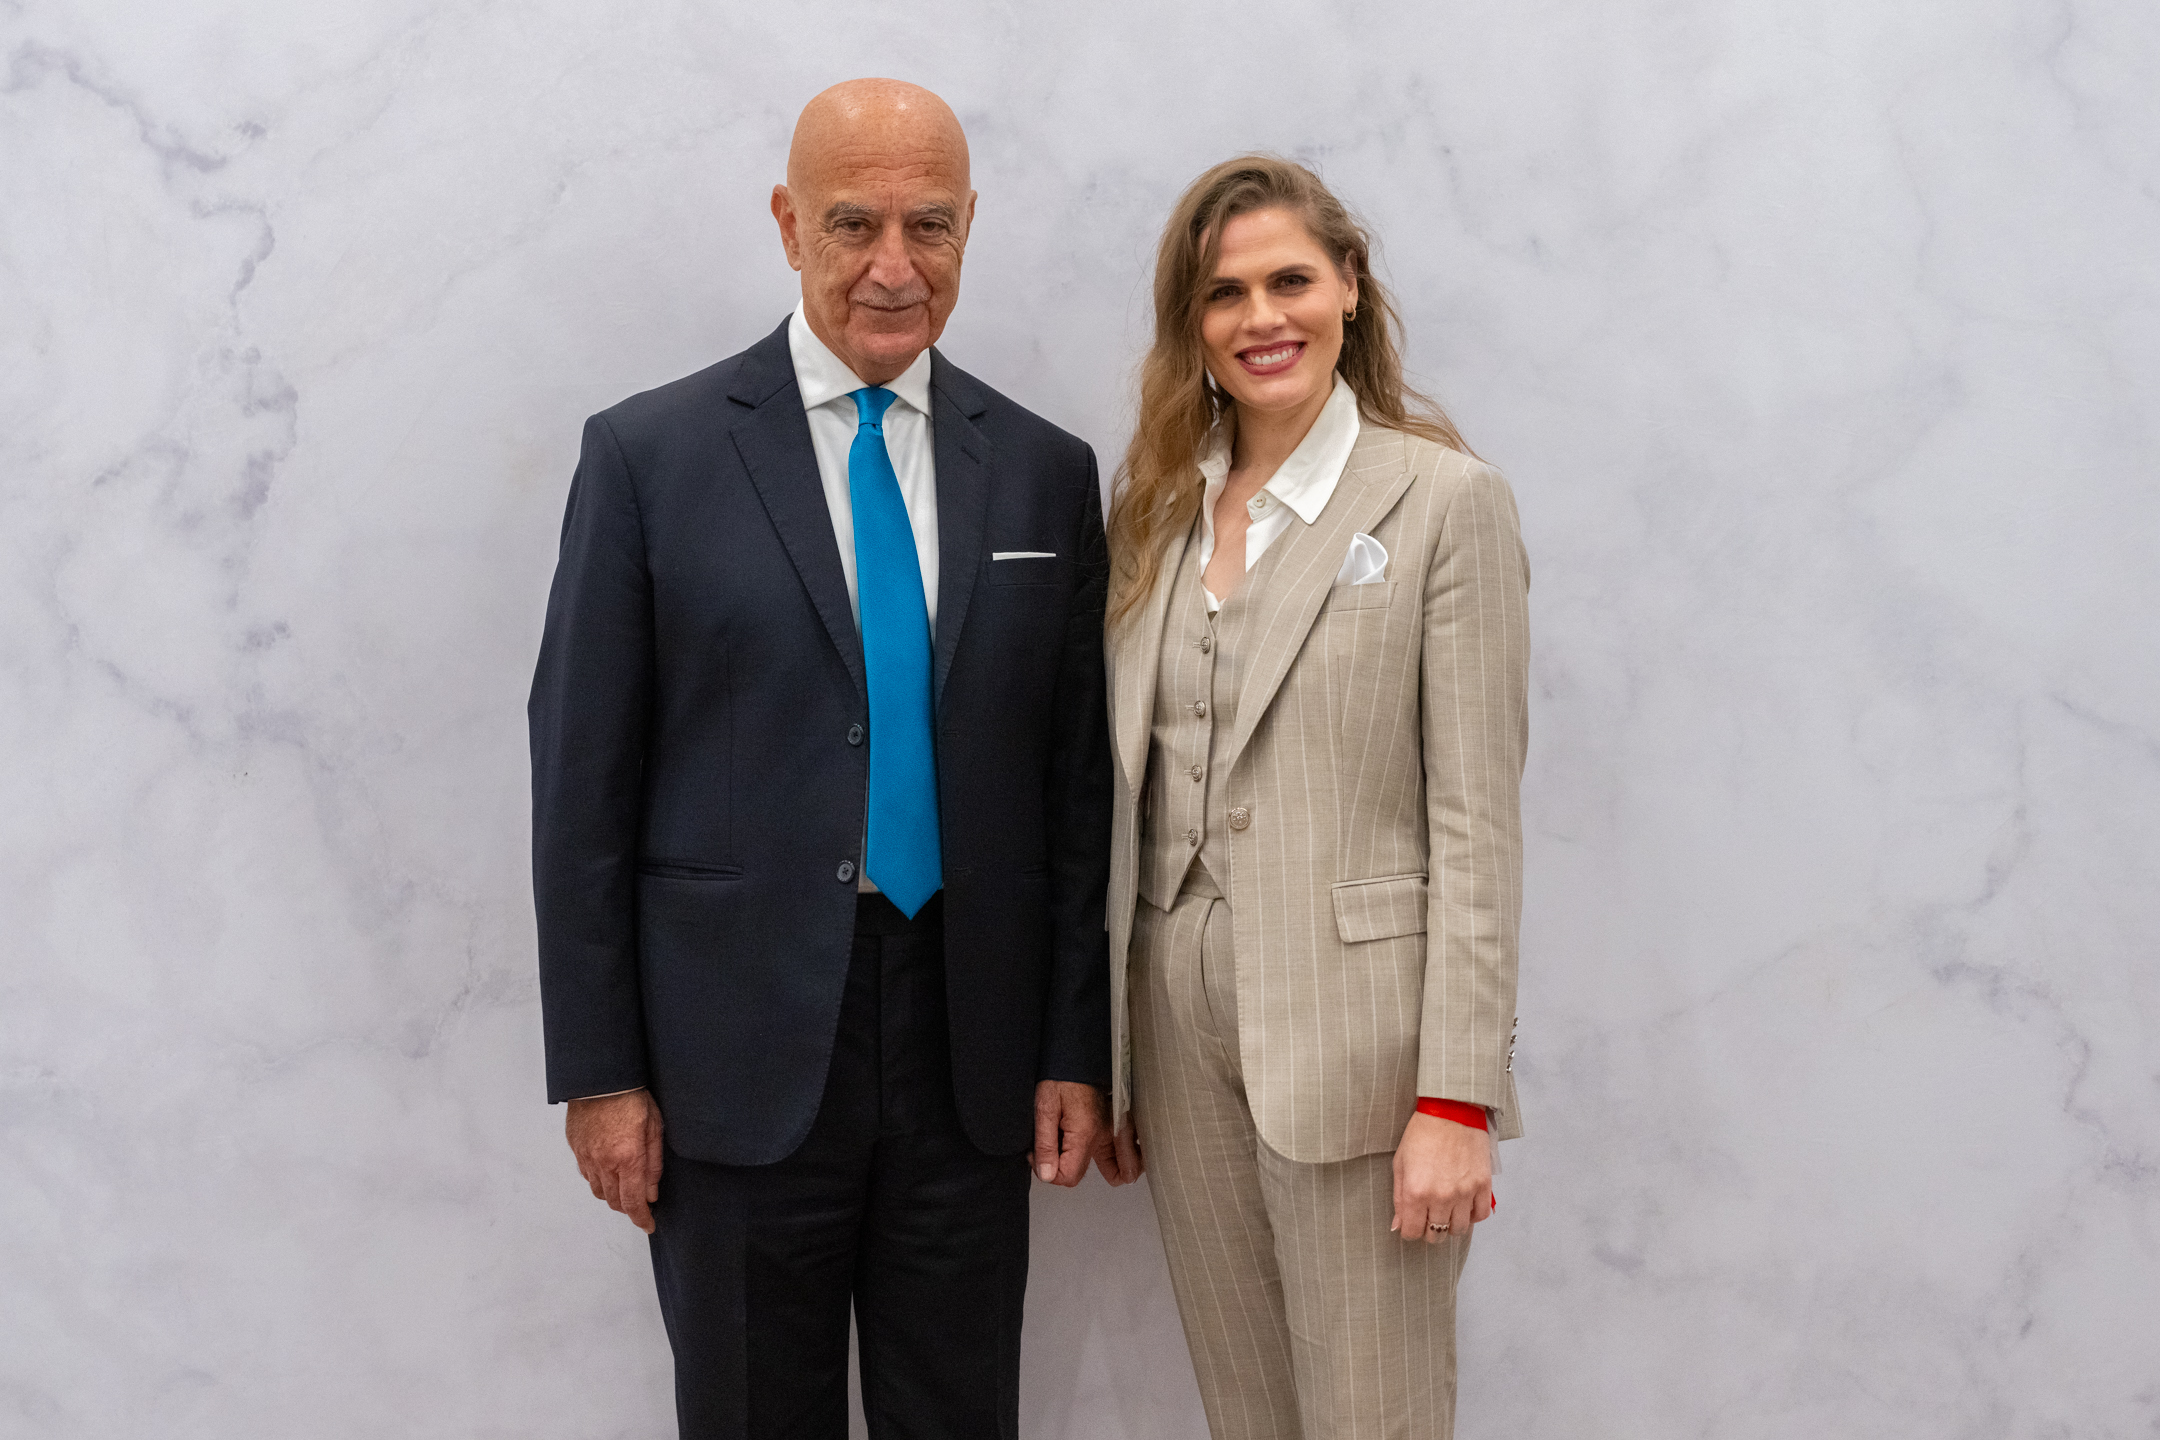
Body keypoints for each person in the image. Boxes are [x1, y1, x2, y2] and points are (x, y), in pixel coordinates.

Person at [527, 78, 1114, 1439]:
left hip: (971, 1055)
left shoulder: (1044, 470)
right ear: (790, 225)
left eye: (929, 225)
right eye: (854, 224)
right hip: (733, 1060)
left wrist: (1074, 1046)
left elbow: (1075, 793)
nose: (893, 266)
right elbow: (580, 788)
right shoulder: (648, 457)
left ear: (970, 227)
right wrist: (601, 1071)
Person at [1095, 155, 1530, 1440]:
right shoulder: (1157, 514)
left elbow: (1478, 827)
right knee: (1247, 1418)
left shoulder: (1445, 501)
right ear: (1192, 324)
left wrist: (1455, 1096)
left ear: (1348, 286)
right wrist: (1111, 1059)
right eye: (1223, 294)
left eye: (1289, 280)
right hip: (1177, 1039)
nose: (1261, 317)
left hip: (1364, 1053)